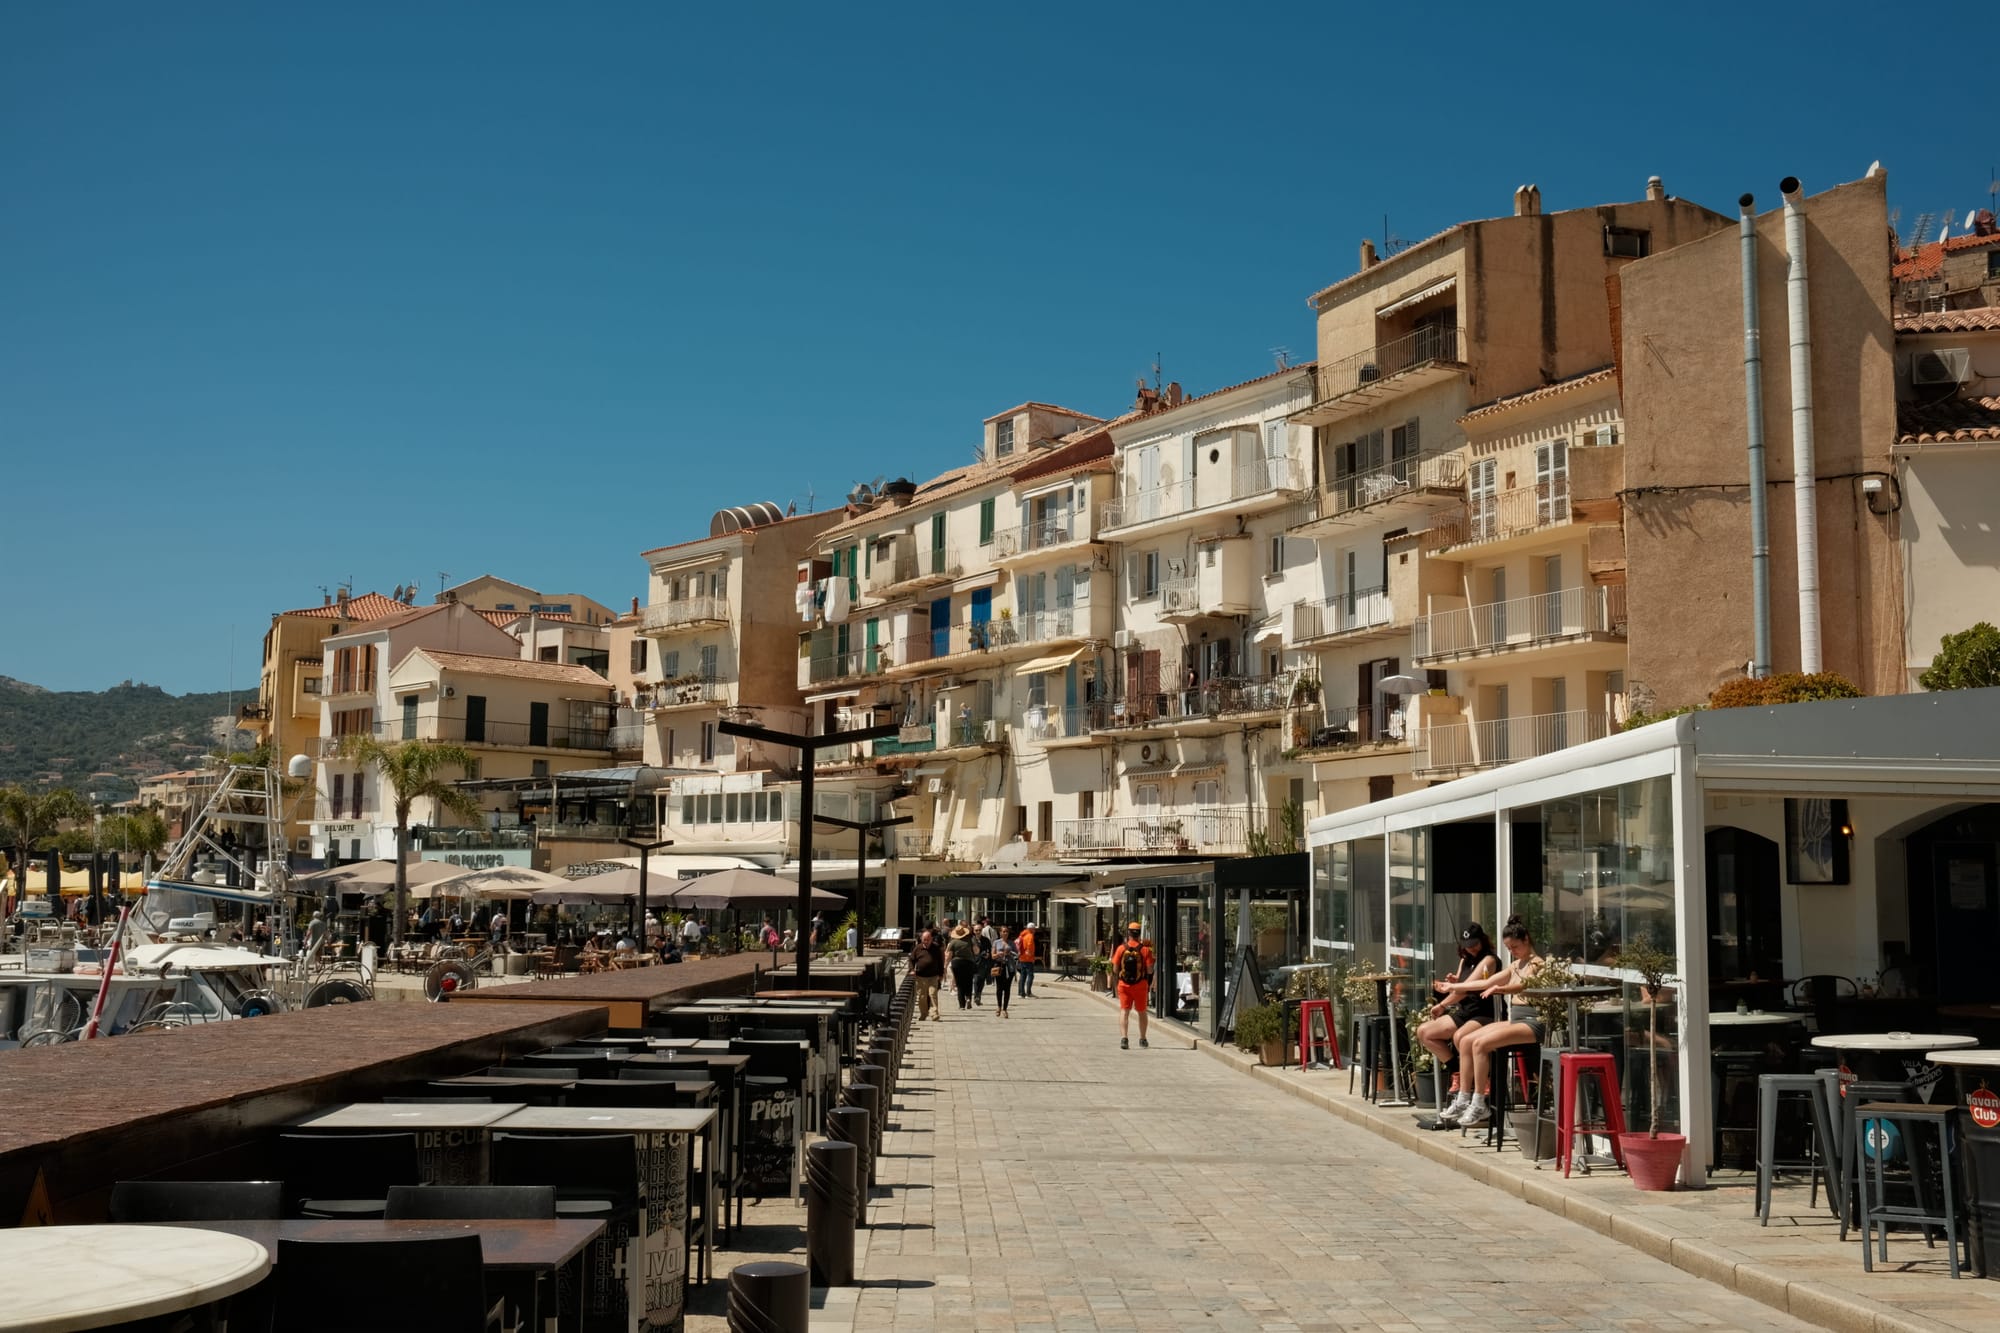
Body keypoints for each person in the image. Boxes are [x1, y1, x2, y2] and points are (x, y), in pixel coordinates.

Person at [1441, 915, 1546, 1129]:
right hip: (1516, 1019)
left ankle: (1480, 1102)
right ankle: (1464, 1096)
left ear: (1526, 939)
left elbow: (1524, 986)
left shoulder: (1537, 964)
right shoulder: (1516, 964)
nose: (1512, 952)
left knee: (1481, 1044)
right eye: (1509, 949)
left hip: (1533, 1021)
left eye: (1515, 947)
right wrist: (1453, 988)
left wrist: (1501, 989)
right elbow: (1487, 981)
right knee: (1467, 1040)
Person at [1415, 923, 1499, 1121]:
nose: (1471, 948)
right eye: (1467, 944)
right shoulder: (1465, 960)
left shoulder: (1489, 959)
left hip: (1483, 1012)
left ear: (1483, 941)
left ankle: (1472, 1090)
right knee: (1424, 1032)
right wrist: (1446, 997)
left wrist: (1450, 990)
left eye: (1474, 944)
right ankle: (1457, 1071)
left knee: (1461, 1037)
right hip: (1465, 1010)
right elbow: (1460, 991)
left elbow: (1468, 987)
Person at [1111, 921, 1155, 1049]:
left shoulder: (1121, 949)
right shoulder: (1145, 950)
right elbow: (1150, 970)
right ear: (1139, 934)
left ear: (1128, 933)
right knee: (1142, 1012)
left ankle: (1124, 1039)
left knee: (1124, 1011)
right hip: (1140, 985)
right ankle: (1142, 1039)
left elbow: (1114, 969)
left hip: (1124, 985)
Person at [909, 926, 945, 1021]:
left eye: (928, 939)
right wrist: (912, 970)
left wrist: (941, 974)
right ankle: (923, 1014)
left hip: (933, 976)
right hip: (921, 977)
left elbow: (940, 962)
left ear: (931, 939)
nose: (926, 941)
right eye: (924, 939)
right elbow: (911, 960)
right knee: (922, 996)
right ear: (921, 939)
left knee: (933, 994)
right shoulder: (918, 948)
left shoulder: (936, 948)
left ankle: (934, 1014)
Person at [947, 922, 979, 1010]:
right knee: (968, 981)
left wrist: (945, 966)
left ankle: (961, 1005)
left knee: (960, 984)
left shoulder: (953, 942)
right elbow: (976, 951)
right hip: (969, 962)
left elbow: (949, 955)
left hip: (957, 962)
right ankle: (968, 997)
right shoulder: (970, 939)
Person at [989, 923, 1019, 1018]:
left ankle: (1005, 1009)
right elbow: (992, 956)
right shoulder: (996, 942)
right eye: (1003, 931)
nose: (1005, 933)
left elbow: (1017, 955)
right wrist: (999, 954)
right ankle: (999, 1006)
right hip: (999, 966)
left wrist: (1010, 953)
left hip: (1009, 967)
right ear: (1000, 933)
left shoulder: (1011, 943)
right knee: (999, 988)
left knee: (1007, 989)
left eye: (1006, 931)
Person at [1015, 921, 1038, 998]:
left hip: (1021, 958)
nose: (1035, 930)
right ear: (1031, 929)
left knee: (1022, 976)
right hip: (1028, 959)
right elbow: (1030, 946)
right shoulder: (1030, 936)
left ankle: (1021, 993)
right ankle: (1028, 992)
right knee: (1030, 975)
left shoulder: (1022, 935)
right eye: (1034, 929)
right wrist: (1031, 957)